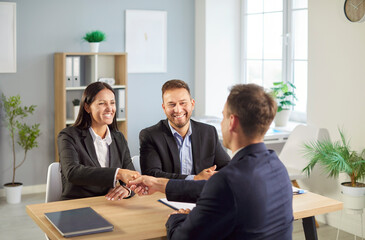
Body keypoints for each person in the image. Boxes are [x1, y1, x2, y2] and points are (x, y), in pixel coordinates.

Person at [129, 84, 293, 239]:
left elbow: (182, 237)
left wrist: (178, 218)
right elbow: (210, 188)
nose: (221, 123)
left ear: (232, 122)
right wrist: (158, 184)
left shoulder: (225, 182)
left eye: (223, 116)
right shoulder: (277, 166)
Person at [58, 82, 140, 200]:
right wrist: (118, 173)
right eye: (102, 103)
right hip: (78, 205)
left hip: (108, 203)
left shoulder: (118, 137)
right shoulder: (68, 136)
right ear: (87, 107)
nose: (109, 108)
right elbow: (72, 172)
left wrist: (127, 189)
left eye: (112, 103)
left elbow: (131, 175)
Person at [139, 79, 230, 180]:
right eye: (171, 104)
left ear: (192, 104)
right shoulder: (150, 136)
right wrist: (194, 178)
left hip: (202, 194)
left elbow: (227, 167)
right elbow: (152, 175)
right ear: (164, 108)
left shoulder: (208, 132)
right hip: (167, 194)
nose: (178, 110)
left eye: (183, 103)